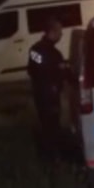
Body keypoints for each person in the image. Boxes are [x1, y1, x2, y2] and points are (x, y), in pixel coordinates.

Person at [27, 18, 73, 163]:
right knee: (51, 126)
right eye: (60, 32)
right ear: (52, 32)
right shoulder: (50, 53)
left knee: (48, 124)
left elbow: (32, 70)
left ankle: (51, 155)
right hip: (48, 95)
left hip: (42, 93)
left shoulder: (36, 49)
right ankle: (53, 157)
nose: (61, 35)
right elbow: (40, 70)